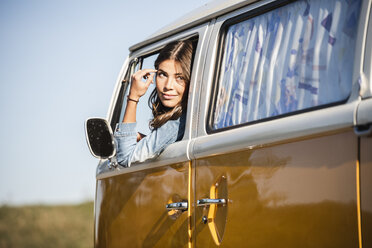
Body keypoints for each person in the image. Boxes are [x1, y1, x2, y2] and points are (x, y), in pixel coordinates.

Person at [114, 40, 193, 167]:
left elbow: (125, 156)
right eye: (163, 75)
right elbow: (166, 138)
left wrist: (133, 97)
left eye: (180, 77)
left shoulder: (178, 122)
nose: (168, 86)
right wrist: (145, 139)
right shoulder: (182, 121)